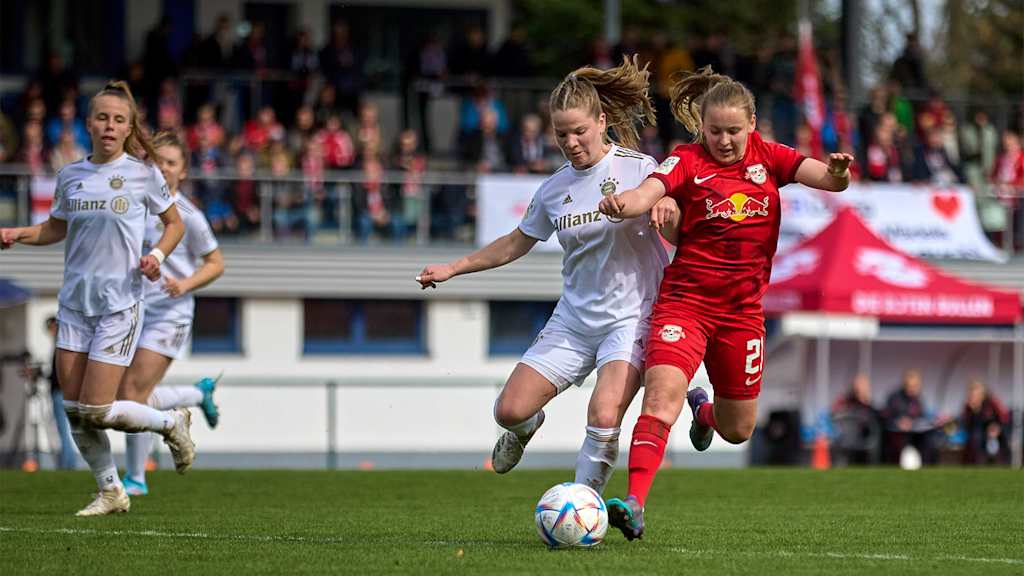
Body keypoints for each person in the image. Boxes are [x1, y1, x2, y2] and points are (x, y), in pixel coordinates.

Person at [598, 66, 853, 540]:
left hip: (741, 315)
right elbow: (648, 190)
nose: (725, 140)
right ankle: (634, 502)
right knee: (659, 397)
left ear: (753, 123)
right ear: (702, 127)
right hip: (684, 305)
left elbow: (829, 180)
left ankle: (705, 412)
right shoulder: (687, 160)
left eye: (734, 130)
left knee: (737, 430)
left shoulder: (770, 157)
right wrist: (624, 202)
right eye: (714, 131)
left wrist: (837, 172)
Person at [416, 57, 679, 495]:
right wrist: (453, 268)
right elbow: (517, 241)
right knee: (509, 410)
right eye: (561, 134)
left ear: (601, 120)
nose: (572, 142)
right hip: (574, 320)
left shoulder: (639, 169)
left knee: (604, 415)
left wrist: (667, 210)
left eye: (580, 131)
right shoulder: (555, 188)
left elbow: (678, 225)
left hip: (631, 317)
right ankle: (525, 429)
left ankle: (584, 504)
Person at [0, 81, 195, 516]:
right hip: (74, 306)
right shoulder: (71, 175)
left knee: (97, 408)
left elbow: (175, 224)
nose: (110, 125)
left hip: (119, 305)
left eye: (119, 119)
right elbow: (55, 228)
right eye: (102, 117)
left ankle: (170, 422)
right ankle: (111, 490)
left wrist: (157, 255)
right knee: (74, 411)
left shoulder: (145, 175)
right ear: (89, 123)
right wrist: (17, 234)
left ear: (128, 129)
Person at [118, 131, 226, 496]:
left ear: (182, 172)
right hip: (131, 309)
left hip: (170, 314)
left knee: (131, 393)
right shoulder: (133, 206)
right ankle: (195, 395)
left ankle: (135, 479)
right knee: (124, 395)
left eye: (171, 163)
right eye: (157, 160)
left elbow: (216, 263)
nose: (163, 168)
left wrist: (186, 284)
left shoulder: (189, 217)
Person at [881, 368, 943, 466]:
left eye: (916, 386)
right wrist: (898, 421)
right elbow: (887, 417)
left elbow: (922, 416)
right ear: (905, 384)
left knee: (930, 441)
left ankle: (928, 469)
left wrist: (933, 421)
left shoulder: (918, 399)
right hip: (897, 434)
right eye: (911, 386)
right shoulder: (894, 397)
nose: (913, 388)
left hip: (915, 433)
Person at [830, 373, 881, 465]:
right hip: (847, 437)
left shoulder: (869, 405)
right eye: (860, 386)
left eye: (865, 386)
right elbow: (834, 413)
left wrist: (867, 402)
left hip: (865, 437)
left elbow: (878, 417)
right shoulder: (844, 401)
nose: (863, 389)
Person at [959, 378, 1009, 465]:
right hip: (977, 434)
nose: (973, 395)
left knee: (991, 439)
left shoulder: (992, 402)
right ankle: (976, 464)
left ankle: (1001, 463)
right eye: (971, 392)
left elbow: (1004, 418)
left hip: (995, 432)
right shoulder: (968, 406)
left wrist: (996, 428)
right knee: (975, 436)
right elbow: (966, 424)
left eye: (976, 391)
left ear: (982, 393)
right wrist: (974, 410)